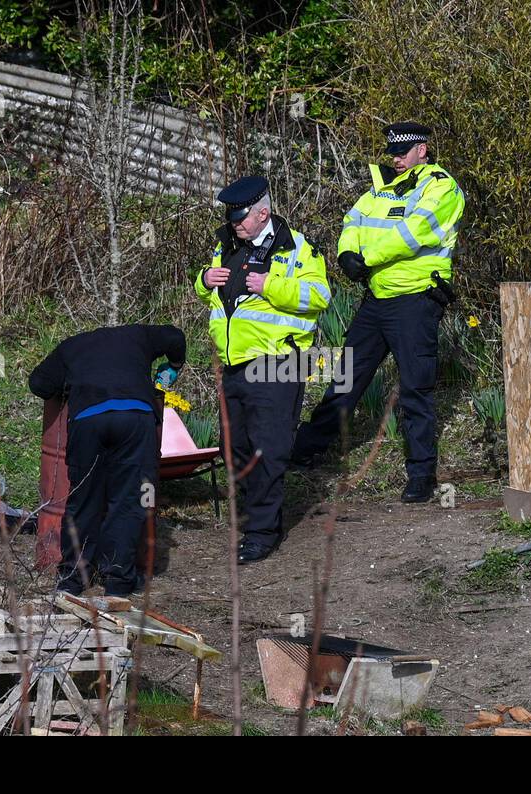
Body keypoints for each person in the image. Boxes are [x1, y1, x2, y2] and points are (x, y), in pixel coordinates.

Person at [292, 121, 465, 503]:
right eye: (393, 153)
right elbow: (353, 220)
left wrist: (365, 258)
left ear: (422, 149)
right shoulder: (381, 187)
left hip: (415, 301)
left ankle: (421, 475)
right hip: (376, 301)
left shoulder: (441, 187)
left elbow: (414, 233)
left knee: (416, 390)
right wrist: (345, 253)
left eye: (403, 152)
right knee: (346, 378)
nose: (397, 159)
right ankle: (305, 450)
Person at [194, 175, 330, 563]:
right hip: (235, 362)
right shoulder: (226, 245)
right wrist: (204, 280)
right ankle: (257, 515)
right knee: (232, 446)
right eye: (232, 217)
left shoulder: (296, 247)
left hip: (279, 362)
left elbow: (320, 296)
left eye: (241, 217)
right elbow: (213, 292)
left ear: (263, 213)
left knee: (267, 450)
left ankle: (262, 532)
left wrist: (271, 285)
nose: (235, 223)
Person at [28, 324, 185, 596]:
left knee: (83, 500)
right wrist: (174, 364)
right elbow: (175, 337)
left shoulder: (71, 346)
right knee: (127, 501)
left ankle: (73, 580)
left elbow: (39, 384)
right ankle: (118, 581)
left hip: (89, 421)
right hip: (135, 418)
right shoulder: (139, 335)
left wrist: (67, 385)